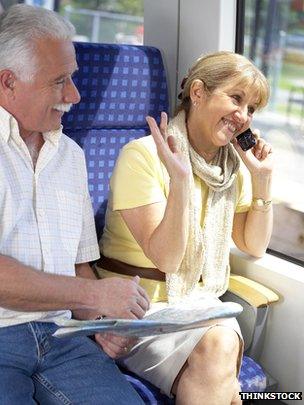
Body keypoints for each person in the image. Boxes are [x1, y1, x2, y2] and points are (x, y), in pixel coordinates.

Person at [96, 51, 273, 405]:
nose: (244, 116)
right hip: (139, 311)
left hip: (202, 307)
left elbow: (253, 245)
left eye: (252, 108)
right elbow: (167, 258)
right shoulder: (142, 155)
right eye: (236, 98)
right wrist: (180, 180)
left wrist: (262, 179)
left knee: (220, 348)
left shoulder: (229, 170)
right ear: (197, 93)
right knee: (223, 363)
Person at [0, 4, 150, 404]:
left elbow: (81, 266)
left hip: (63, 338)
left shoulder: (71, 155)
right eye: (59, 81)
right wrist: (94, 298)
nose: (75, 95)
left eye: (74, 78)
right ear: (8, 82)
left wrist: (100, 322)